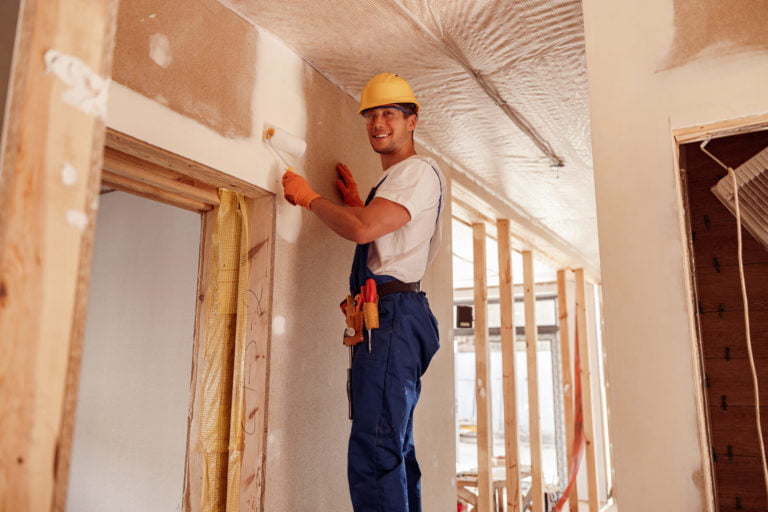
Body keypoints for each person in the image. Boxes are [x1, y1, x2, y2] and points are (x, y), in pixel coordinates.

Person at [281, 72, 445, 512]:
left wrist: (309, 198)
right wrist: (358, 202)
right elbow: (379, 232)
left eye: (390, 113)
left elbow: (363, 229)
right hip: (393, 315)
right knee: (393, 446)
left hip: (392, 317)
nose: (377, 123)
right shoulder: (400, 179)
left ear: (413, 120)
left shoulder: (414, 171)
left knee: (375, 452)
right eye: (370, 115)